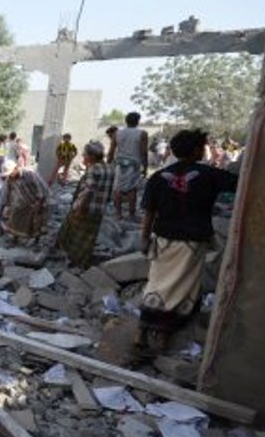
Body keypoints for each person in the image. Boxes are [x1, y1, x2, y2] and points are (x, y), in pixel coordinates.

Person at [137, 129, 238, 351]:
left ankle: (143, 332)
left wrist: (144, 238)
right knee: (182, 288)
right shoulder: (209, 175)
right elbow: (239, 182)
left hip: (163, 239)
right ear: (196, 151)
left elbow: (149, 213)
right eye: (201, 147)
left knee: (157, 283)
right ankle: (163, 335)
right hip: (192, 242)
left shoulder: (158, 178)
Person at [56, 141, 115, 268]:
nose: (83, 157)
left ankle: (73, 260)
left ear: (92, 157)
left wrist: (80, 208)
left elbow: (88, 190)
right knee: (88, 237)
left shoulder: (94, 169)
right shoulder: (109, 168)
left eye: (85, 155)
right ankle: (82, 261)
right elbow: (110, 191)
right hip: (98, 210)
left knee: (74, 233)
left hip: (86, 208)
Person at [109, 112, 148, 221]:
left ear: (126, 121)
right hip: (134, 164)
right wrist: (145, 167)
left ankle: (118, 214)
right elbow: (144, 152)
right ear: (138, 121)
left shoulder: (117, 133)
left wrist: (108, 163)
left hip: (120, 164)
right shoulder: (142, 133)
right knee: (132, 189)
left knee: (118, 189)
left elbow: (111, 151)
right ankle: (131, 214)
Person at [0, 159, 50, 242]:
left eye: (10, 173)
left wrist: (39, 204)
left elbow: (40, 190)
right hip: (24, 200)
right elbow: (6, 194)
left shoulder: (29, 174)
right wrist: (3, 208)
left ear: (16, 169)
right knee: (15, 218)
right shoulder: (9, 179)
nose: (9, 176)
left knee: (37, 221)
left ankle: (36, 241)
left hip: (39, 198)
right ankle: (15, 238)